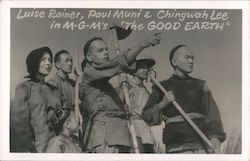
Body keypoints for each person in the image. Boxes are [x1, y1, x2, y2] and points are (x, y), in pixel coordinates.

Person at [79, 34, 161, 153]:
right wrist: (143, 44)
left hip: (122, 136)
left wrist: (122, 110)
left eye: (106, 49)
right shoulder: (89, 73)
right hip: (107, 138)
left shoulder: (106, 84)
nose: (106, 52)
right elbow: (120, 63)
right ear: (89, 57)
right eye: (100, 51)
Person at [142, 44, 226, 154]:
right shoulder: (162, 87)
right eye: (186, 57)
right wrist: (163, 103)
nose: (191, 61)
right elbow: (146, 116)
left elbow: (212, 114)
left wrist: (215, 137)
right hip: (175, 146)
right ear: (174, 62)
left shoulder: (201, 86)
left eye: (192, 58)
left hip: (201, 145)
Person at [10, 47, 61, 152]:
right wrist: (29, 150)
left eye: (50, 60)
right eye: (43, 59)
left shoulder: (53, 90)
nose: (48, 63)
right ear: (34, 61)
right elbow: (19, 125)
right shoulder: (25, 87)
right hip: (34, 149)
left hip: (55, 147)